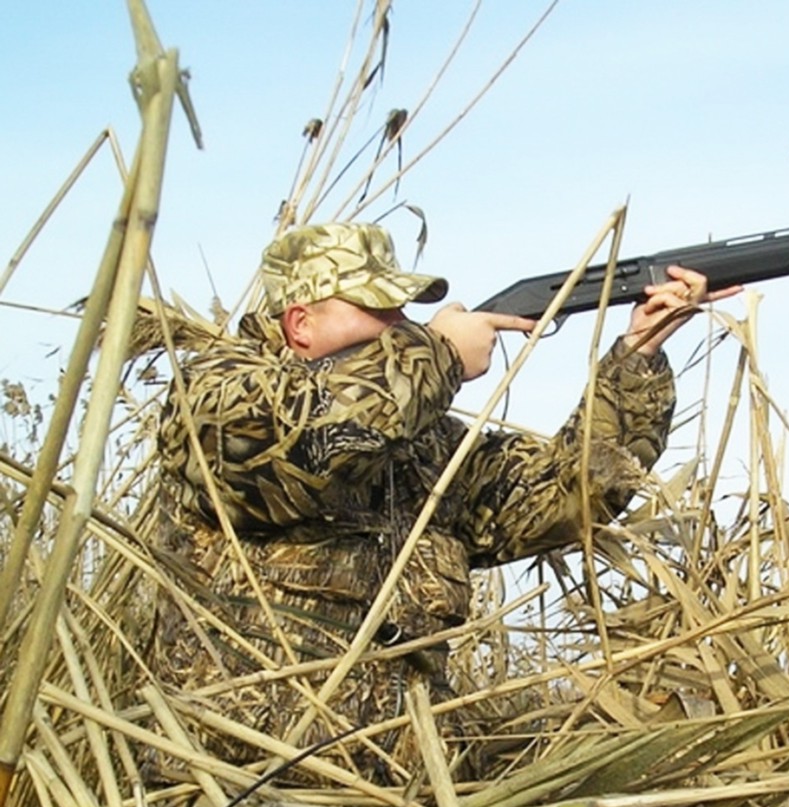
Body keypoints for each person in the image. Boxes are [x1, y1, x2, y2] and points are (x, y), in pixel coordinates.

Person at [152, 221, 737, 763]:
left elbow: (564, 499)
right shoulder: (214, 397)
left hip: (406, 800)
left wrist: (636, 357)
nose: (400, 324)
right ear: (299, 323)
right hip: (243, 796)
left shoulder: (425, 443)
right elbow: (308, 439)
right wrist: (442, 356)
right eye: (376, 308)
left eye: (402, 308)